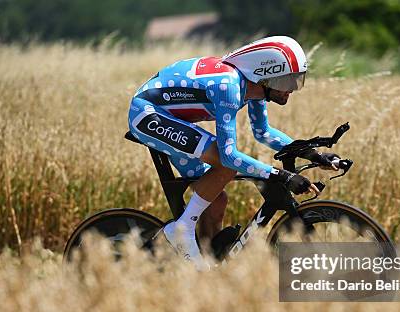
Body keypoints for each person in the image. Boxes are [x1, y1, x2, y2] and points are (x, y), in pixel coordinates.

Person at [128, 36, 339, 270]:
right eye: (286, 80)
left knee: (217, 201)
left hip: (171, 118)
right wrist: (282, 176)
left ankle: (205, 269)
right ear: (265, 75)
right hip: (148, 115)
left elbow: (263, 133)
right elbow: (229, 157)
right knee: (227, 164)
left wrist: (313, 155)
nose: (291, 89)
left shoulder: (255, 89)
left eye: (296, 81)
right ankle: (180, 231)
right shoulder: (228, 85)